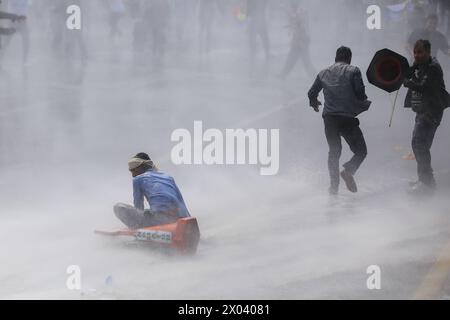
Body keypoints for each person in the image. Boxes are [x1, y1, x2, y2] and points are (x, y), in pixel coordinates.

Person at [308, 46, 371, 195]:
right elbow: (360, 94)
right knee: (361, 151)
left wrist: (314, 103)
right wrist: (362, 100)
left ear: (335, 58)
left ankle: (333, 187)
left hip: (330, 119)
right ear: (349, 59)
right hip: (347, 118)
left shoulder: (323, 72)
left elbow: (311, 93)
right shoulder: (353, 70)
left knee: (334, 151)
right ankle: (348, 171)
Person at [403, 39, 449, 194]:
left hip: (431, 112)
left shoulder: (433, 68)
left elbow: (425, 87)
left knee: (420, 146)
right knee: (418, 145)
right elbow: (410, 73)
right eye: (415, 52)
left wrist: (408, 83)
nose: (416, 55)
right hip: (422, 111)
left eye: (420, 52)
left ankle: (426, 183)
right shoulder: (421, 65)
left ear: (428, 52)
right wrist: (409, 71)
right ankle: (426, 180)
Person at [114, 153, 191, 229]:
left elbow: (138, 206)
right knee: (148, 212)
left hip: (159, 219)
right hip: (177, 218)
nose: (132, 174)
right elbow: (181, 202)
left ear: (140, 167)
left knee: (118, 207)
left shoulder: (137, 179)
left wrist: (135, 222)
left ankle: (138, 231)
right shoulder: (168, 177)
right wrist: (188, 222)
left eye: (133, 170)